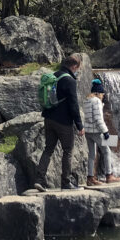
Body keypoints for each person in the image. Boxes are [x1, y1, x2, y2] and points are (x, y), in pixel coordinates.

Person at [34, 55, 84, 191]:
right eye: (77, 68)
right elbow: (74, 105)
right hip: (63, 122)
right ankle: (66, 182)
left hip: (49, 119)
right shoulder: (69, 80)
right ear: (74, 66)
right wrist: (80, 125)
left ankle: (39, 180)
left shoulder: (54, 76)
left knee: (48, 149)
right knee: (67, 151)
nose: (77, 71)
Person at [83, 79, 120, 186]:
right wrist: (105, 132)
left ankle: (90, 178)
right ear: (98, 93)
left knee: (92, 154)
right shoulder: (96, 101)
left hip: (88, 131)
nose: (103, 96)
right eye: (102, 93)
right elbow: (98, 119)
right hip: (96, 131)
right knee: (106, 151)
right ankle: (109, 176)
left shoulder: (86, 100)